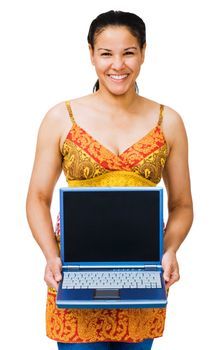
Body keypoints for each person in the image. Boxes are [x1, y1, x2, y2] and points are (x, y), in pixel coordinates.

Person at [26, 10, 193, 350]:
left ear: (143, 52)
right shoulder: (62, 118)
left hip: (142, 272)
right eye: (106, 53)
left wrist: (170, 249)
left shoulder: (169, 121)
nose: (118, 64)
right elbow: (37, 198)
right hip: (75, 269)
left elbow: (182, 204)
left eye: (129, 52)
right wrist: (51, 256)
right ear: (91, 54)